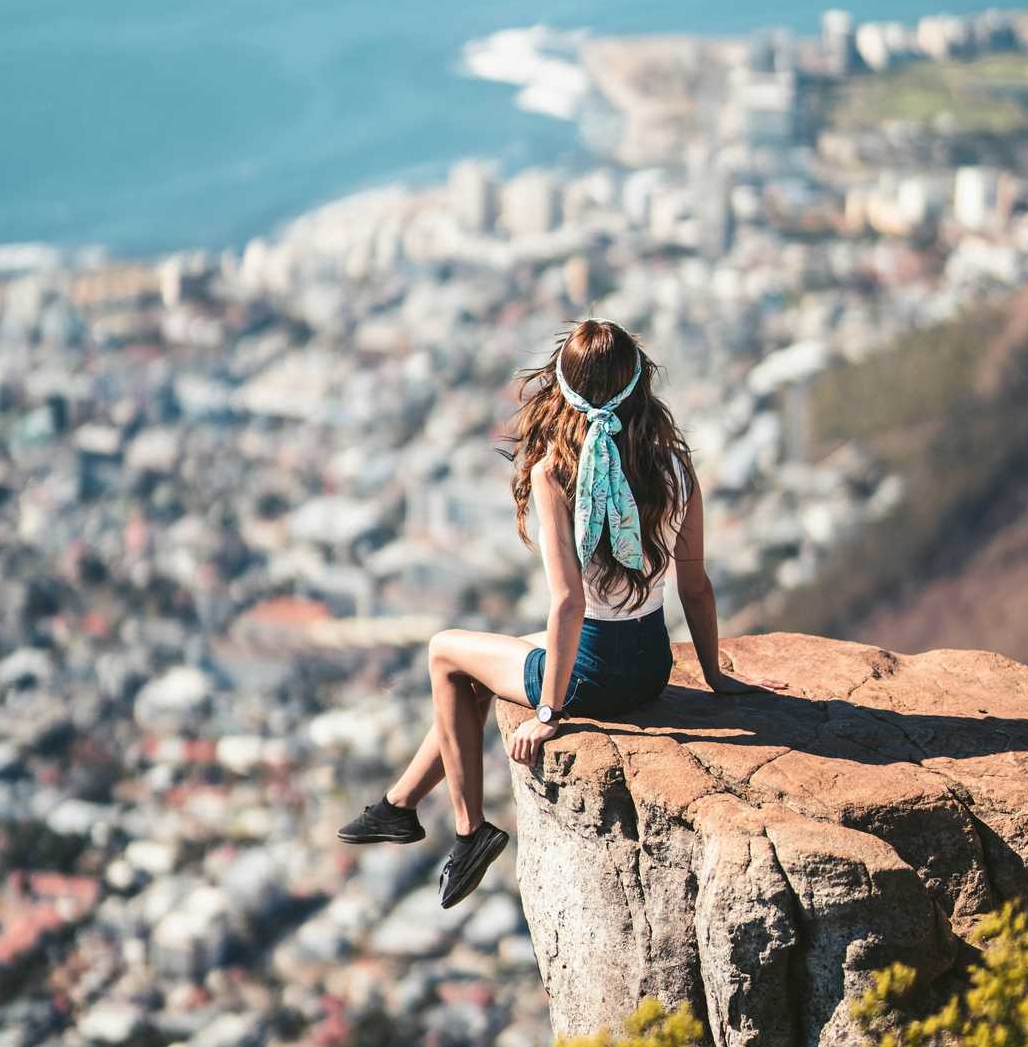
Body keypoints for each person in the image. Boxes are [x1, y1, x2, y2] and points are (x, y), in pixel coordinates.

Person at [337, 318, 788, 907]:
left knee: (446, 652)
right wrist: (713, 676)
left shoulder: (558, 473)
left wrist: (549, 711)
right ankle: (398, 805)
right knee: (487, 662)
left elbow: (570, 603)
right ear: (639, 385)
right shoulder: (673, 466)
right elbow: (695, 585)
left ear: (564, 389)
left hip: (591, 680)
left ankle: (471, 831)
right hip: (648, 663)